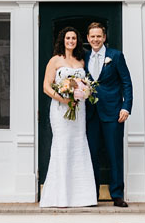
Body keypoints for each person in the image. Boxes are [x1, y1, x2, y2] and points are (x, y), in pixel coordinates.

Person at [39, 27, 97, 208]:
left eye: (73, 38)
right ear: (62, 40)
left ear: (77, 41)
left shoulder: (81, 61)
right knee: (62, 145)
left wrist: (83, 91)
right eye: (67, 38)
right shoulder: (55, 60)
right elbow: (47, 87)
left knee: (78, 145)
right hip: (60, 110)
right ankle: (60, 197)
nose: (70, 41)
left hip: (78, 110)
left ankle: (82, 197)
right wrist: (63, 99)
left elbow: (85, 84)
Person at [84, 21, 133, 207]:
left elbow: (127, 83)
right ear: (88, 38)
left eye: (99, 36)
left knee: (114, 154)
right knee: (91, 155)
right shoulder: (84, 57)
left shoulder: (116, 56)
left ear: (104, 38)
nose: (96, 39)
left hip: (113, 112)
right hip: (90, 113)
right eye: (92, 36)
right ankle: (91, 194)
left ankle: (117, 194)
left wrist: (126, 107)